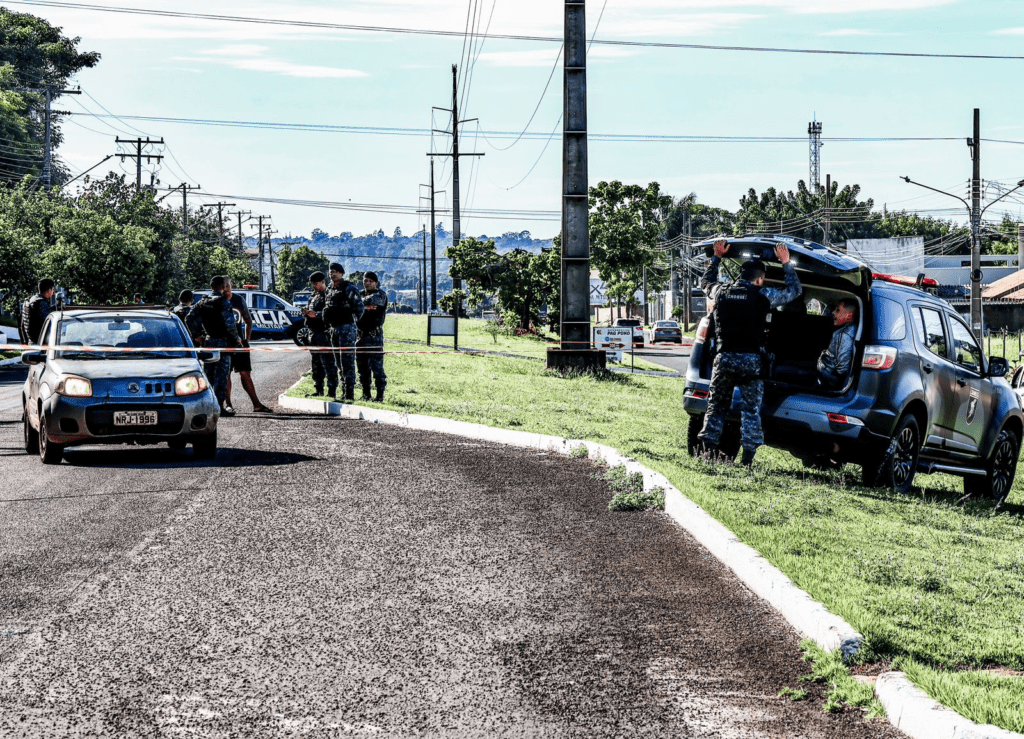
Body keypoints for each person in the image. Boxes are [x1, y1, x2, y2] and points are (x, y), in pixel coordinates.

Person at [697, 240, 803, 466]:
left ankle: (707, 453)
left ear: (739, 277)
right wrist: (785, 263)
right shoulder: (763, 296)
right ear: (760, 279)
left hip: (724, 358)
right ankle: (747, 460)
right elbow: (794, 291)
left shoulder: (722, 292)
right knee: (750, 410)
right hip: (751, 362)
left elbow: (706, 282)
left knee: (716, 406)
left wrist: (717, 257)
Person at [185, 275, 243, 416]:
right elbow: (230, 324)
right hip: (223, 343)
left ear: (211, 287)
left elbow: (189, 318)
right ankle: (219, 407)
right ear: (223, 287)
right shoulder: (223, 302)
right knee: (221, 377)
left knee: (208, 375)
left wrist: (197, 334)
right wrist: (237, 339)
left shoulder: (202, 302)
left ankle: (207, 407)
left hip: (208, 342)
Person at [223, 278, 273, 414]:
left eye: (228, 285)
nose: (226, 288)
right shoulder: (217, 301)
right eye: (223, 286)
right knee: (225, 375)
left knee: (245, 374)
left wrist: (246, 340)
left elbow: (248, 321)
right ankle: (228, 404)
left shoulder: (238, 300)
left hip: (239, 344)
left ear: (231, 285)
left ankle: (257, 404)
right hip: (223, 344)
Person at [324, 262, 364, 401]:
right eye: (331, 271)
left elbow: (359, 308)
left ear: (341, 273)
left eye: (335, 271)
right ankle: (343, 390)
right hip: (334, 328)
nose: (332, 273)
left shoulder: (348, 288)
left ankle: (350, 392)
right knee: (338, 362)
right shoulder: (329, 289)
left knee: (347, 361)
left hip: (346, 327)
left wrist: (352, 323)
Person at [303, 271, 338, 398]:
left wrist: (316, 315)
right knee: (316, 363)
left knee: (328, 363)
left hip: (324, 333)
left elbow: (331, 313)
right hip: (313, 333)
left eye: (316, 284)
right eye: (312, 284)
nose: (314, 286)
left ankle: (332, 390)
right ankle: (318, 389)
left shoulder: (329, 295)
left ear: (323, 282)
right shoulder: (314, 295)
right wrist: (306, 312)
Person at [356, 271, 388, 402]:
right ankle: (366, 394)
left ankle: (379, 395)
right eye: (365, 281)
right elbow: (351, 304)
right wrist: (364, 306)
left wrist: (360, 305)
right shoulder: (360, 294)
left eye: (370, 281)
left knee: (377, 368)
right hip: (360, 336)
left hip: (374, 337)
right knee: (362, 368)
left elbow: (373, 300)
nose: (367, 283)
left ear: (375, 283)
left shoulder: (381, 294)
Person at [817, 298, 858, 390]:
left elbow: (843, 367)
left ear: (849, 316)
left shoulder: (844, 335)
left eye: (838, 310)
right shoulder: (850, 330)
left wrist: (832, 382)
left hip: (828, 377)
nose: (833, 312)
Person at [20, 279, 55, 346]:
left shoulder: (31, 300)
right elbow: (49, 324)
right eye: (53, 290)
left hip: (31, 342)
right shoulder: (42, 304)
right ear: (49, 290)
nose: (53, 292)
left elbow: (22, 324)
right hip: (40, 344)